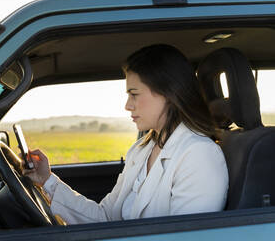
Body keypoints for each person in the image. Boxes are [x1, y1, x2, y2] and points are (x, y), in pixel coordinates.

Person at [23, 44, 229, 225]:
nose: (127, 105)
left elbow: (185, 236)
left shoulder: (199, 155)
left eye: (134, 94)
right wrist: (46, 180)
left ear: (168, 93)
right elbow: (105, 218)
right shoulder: (141, 150)